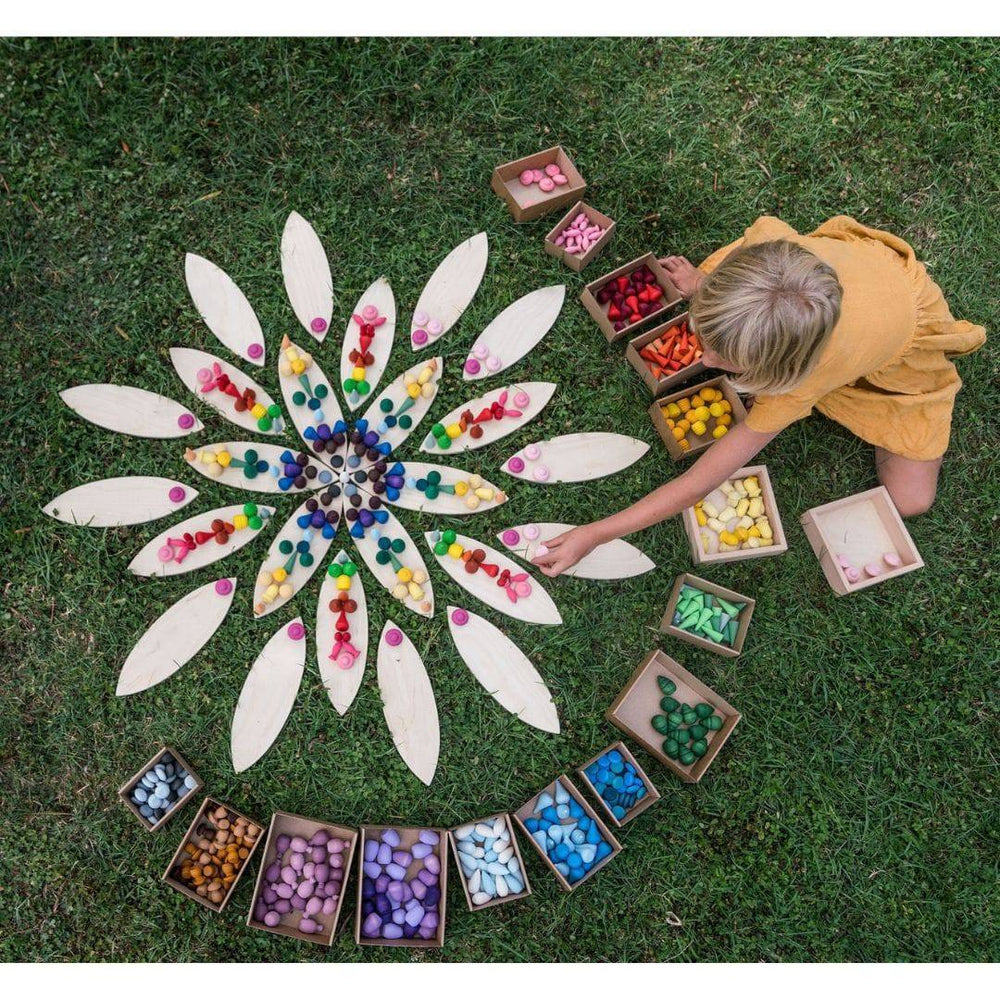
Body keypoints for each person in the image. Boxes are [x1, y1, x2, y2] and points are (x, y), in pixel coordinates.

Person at [532, 215, 986, 578]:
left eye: (723, 360)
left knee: (910, 502)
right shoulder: (768, 267)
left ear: (780, 371)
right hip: (837, 286)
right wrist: (703, 285)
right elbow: (747, 289)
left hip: (902, 337)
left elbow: (701, 481)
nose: (704, 361)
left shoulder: (799, 383)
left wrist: (596, 533)